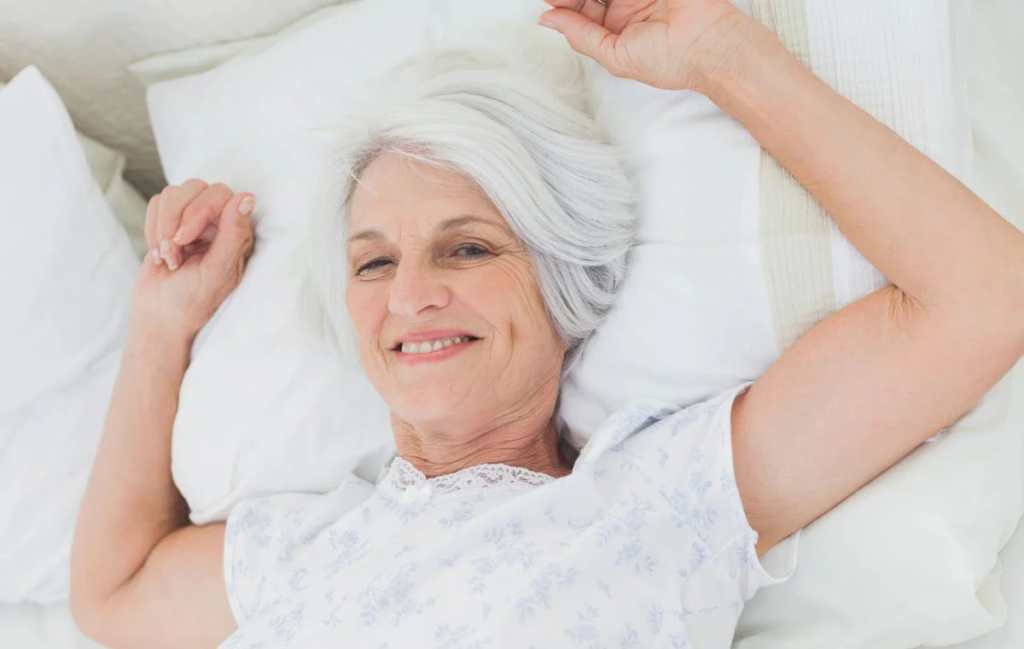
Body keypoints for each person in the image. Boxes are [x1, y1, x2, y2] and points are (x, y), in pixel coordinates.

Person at [70, 0, 1024, 647]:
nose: (410, 296)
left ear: (563, 282)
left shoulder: (658, 498)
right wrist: (162, 325)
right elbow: (110, 597)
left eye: (468, 248)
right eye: (372, 262)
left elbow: (982, 299)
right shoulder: (307, 546)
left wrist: (726, 61)